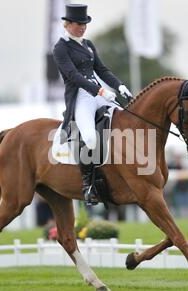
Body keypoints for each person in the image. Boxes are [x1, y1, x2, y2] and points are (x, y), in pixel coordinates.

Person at [53, 4, 132, 206]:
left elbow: (102, 70)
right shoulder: (60, 47)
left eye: (85, 24)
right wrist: (99, 91)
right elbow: (73, 75)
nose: (82, 27)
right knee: (89, 137)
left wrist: (119, 85)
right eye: (78, 24)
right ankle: (88, 186)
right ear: (68, 24)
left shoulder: (88, 44)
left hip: (99, 93)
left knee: (124, 121)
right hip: (81, 97)